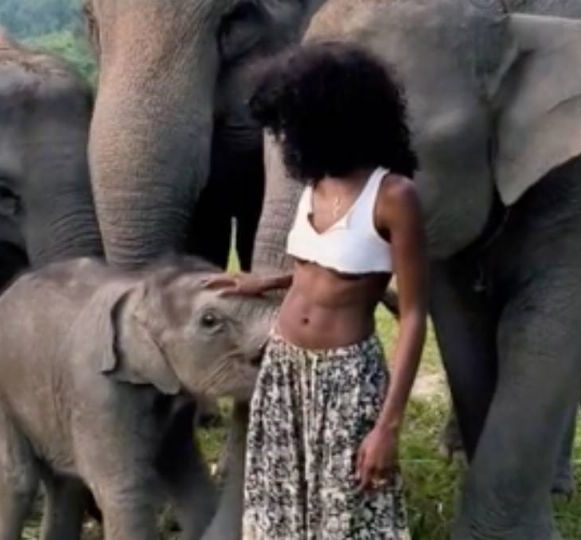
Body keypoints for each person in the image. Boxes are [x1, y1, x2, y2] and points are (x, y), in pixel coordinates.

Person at [206, 42, 428, 539]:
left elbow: (413, 315)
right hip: (284, 370)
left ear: (334, 118)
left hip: (346, 380)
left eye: (294, 122)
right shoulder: (314, 181)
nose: (286, 136)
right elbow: (325, 266)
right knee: (278, 508)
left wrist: (387, 426)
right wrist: (268, 280)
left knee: (348, 516)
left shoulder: (393, 196)